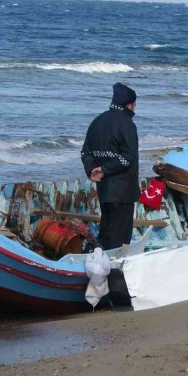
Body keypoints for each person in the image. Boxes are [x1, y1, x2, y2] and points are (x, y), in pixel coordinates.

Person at [80, 83, 140, 250]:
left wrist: (91, 170)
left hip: (104, 189)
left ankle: (100, 263)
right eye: (134, 104)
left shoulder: (97, 121)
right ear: (128, 104)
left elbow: (86, 152)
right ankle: (113, 270)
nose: (134, 108)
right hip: (123, 192)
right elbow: (128, 158)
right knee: (119, 238)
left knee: (107, 231)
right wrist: (104, 169)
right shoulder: (127, 124)